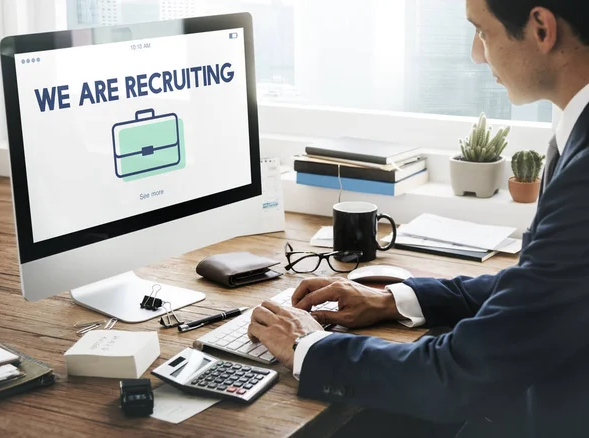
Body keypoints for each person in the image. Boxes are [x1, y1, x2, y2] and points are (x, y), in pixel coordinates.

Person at [247, 0, 589, 437]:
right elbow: (542, 285)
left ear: (542, 29)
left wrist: (308, 346)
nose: (476, 54)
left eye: (482, 31)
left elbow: (459, 376)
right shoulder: (575, 130)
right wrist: (397, 300)